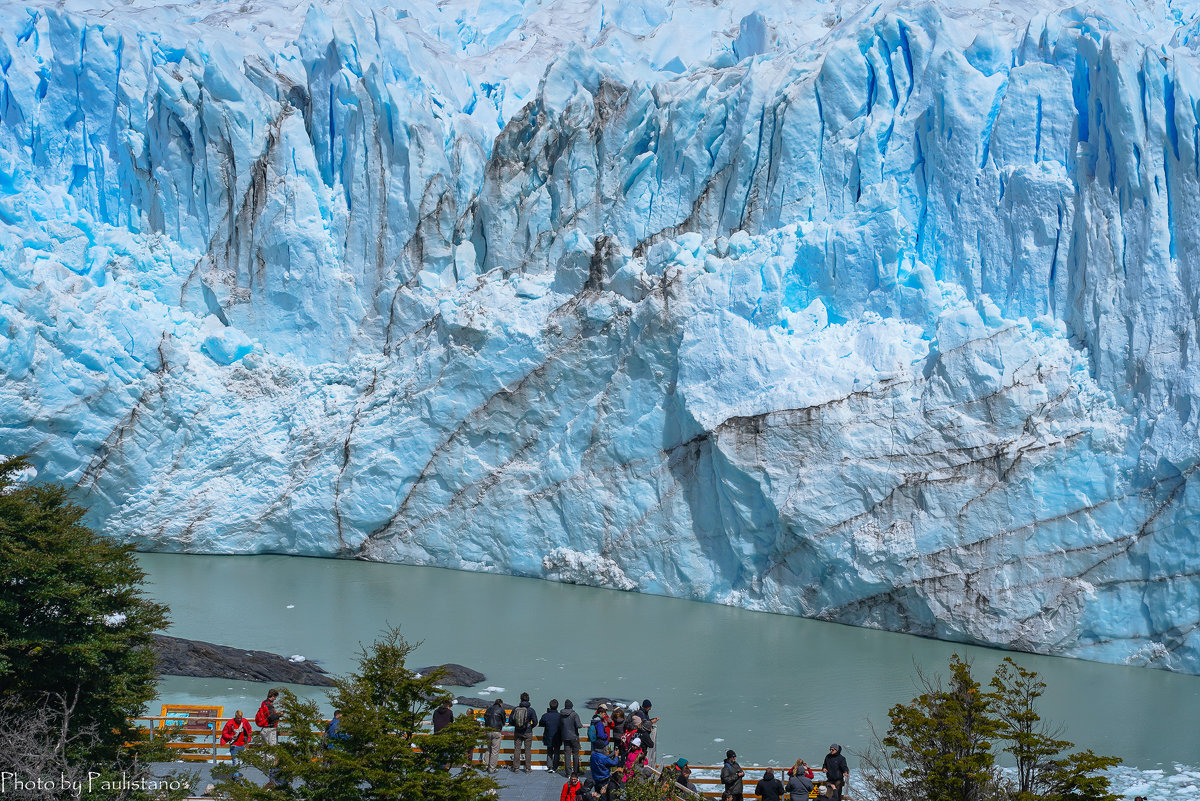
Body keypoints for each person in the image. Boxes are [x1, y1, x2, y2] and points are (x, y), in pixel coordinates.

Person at [255, 689, 281, 786]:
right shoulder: (269, 705)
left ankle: (266, 768)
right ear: (273, 696)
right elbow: (271, 718)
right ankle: (272, 772)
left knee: (265, 749)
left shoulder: (263, 703)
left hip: (264, 729)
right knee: (272, 749)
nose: (275, 699)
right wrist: (278, 714)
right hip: (270, 729)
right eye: (275, 697)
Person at [509, 692, 537, 773]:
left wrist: (516, 726)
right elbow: (535, 721)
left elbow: (511, 720)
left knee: (517, 749)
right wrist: (531, 726)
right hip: (528, 732)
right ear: (528, 699)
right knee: (527, 750)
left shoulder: (515, 709)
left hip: (518, 732)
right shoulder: (531, 710)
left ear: (521, 699)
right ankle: (528, 768)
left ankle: (516, 767)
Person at [220, 710, 252, 777]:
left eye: (240, 718)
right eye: (238, 718)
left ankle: (234, 775)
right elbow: (224, 733)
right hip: (234, 745)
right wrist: (230, 737)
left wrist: (248, 739)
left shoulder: (245, 721)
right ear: (235, 717)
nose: (239, 719)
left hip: (242, 744)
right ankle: (236, 778)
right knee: (235, 761)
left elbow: (249, 729)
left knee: (238, 762)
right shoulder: (230, 723)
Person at [540, 699, 564, 773]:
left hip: (548, 737)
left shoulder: (546, 715)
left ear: (550, 706)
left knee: (549, 752)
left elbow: (541, 723)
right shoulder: (560, 716)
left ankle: (550, 766)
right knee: (557, 752)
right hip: (558, 737)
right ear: (557, 706)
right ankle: (555, 767)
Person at [560, 699, 583, 776]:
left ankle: (568, 773)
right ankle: (576, 772)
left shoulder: (561, 714)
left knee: (567, 754)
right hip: (574, 737)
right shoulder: (574, 714)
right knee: (575, 754)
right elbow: (578, 725)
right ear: (571, 706)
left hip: (565, 736)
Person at [483, 697, 506, 773]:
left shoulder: (489, 709)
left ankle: (485, 765)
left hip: (488, 731)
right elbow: (504, 721)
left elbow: (485, 718)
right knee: (494, 750)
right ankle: (492, 768)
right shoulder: (501, 710)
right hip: (496, 731)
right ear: (500, 704)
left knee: (488, 749)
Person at [638, 699, 659, 765]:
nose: (650, 709)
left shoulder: (644, 712)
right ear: (646, 707)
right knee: (648, 746)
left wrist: (651, 720)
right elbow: (644, 723)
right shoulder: (641, 713)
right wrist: (652, 722)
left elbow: (646, 721)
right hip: (643, 734)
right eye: (649, 707)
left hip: (643, 734)